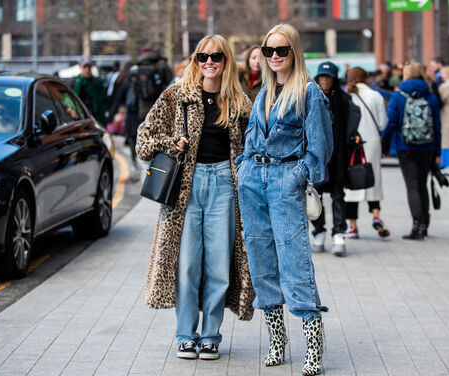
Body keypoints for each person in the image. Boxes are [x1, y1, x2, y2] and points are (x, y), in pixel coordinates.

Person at [136, 34, 254, 360]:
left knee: (218, 266)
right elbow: (144, 138)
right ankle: (186, 335)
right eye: (203, 57)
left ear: (226, 61)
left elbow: (257, 141)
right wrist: (171, 142)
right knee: (188, 265)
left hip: (223, 185)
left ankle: (211, 335)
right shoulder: (177, 96)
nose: (209, 63)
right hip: (186, 187)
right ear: (196, 60)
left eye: (216, 57)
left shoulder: (239, 101)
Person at [236, 24, 333, 376]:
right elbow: (250, 136)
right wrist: (244, 167)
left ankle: (313, 348)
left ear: (295, 51)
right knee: (261, 260)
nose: (274, 57)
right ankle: (278, 342)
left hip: (284, 180)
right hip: (253, 182)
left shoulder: (308, 92)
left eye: (281, 50)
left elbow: (320, 150)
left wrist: (296, 176)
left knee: (295, 262)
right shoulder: (263, 92)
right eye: (268, 51)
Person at [382, 62, 441, 240]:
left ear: (405, 75)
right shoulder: (430, 96)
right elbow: (437, 127)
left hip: (405, 147)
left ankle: (416, 227)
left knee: (412, 186)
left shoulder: (399, 96)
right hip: (427, 147)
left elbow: (391, 123)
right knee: (422, 185)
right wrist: (437, 151)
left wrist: (384, 145)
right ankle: (425, 225)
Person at [310, 61, 360, 256]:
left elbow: (352, 121)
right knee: (315, 195)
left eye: (328, 77)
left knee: (339, 195)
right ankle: (319, 231)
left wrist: (350, 138)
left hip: (338, 155)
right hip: (316, 156)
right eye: (321, 76)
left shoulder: (343, 100)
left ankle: (339, 233)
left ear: (334, 79)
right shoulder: (310, 97)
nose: (324, 80)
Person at [344, 67, 390, 239]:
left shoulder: (347, 96)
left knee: (351, 183)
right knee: (373, 180)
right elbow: (382, 123)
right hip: (371, 143)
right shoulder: (375, 95)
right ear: (366, 78)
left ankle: (353, 227)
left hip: (352, 143)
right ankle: (376, 215)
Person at [74, 55, 108, 126]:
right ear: (80, 66)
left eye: (89, 67)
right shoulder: (76, 83)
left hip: (97, 120)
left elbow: (102, 103)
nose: (87, 69)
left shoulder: (97, 83)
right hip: (81, 121)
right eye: (85, 67)